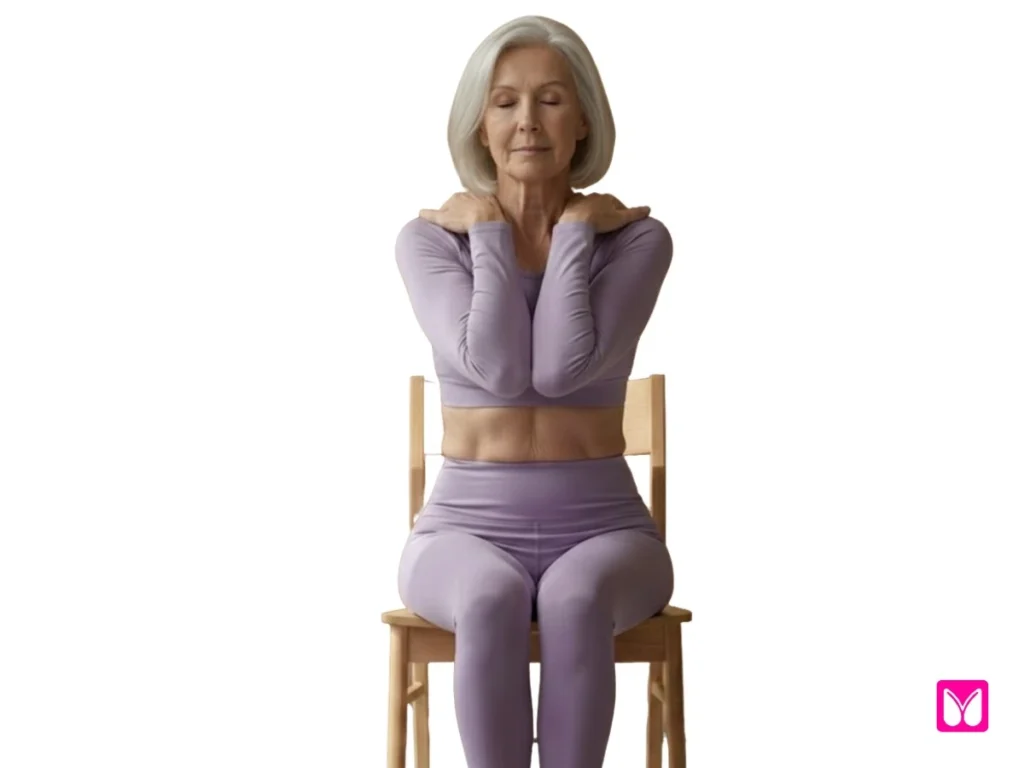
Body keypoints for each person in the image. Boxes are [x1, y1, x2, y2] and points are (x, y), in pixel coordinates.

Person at [394, 14, 675, 768]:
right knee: (487, 597)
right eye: (505, 102)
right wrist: (487, 229)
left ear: (583, 116)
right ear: (479, 125)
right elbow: (496, 370)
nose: (527, 122)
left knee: (576, 599)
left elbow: (558, 370)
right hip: (459, 533)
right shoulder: (430, 241)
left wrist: (579, 229)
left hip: (609, 533)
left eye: (550, 99)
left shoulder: (639, 242)